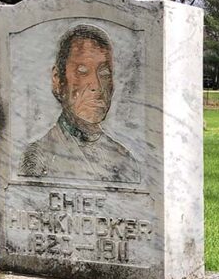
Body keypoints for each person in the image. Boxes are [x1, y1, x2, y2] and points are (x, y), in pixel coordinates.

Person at [18, 24, 140, 183]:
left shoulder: (125, 160)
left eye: (104, 73)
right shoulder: (37, 158)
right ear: (58, 80)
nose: (96, 85)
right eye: (82, 72)